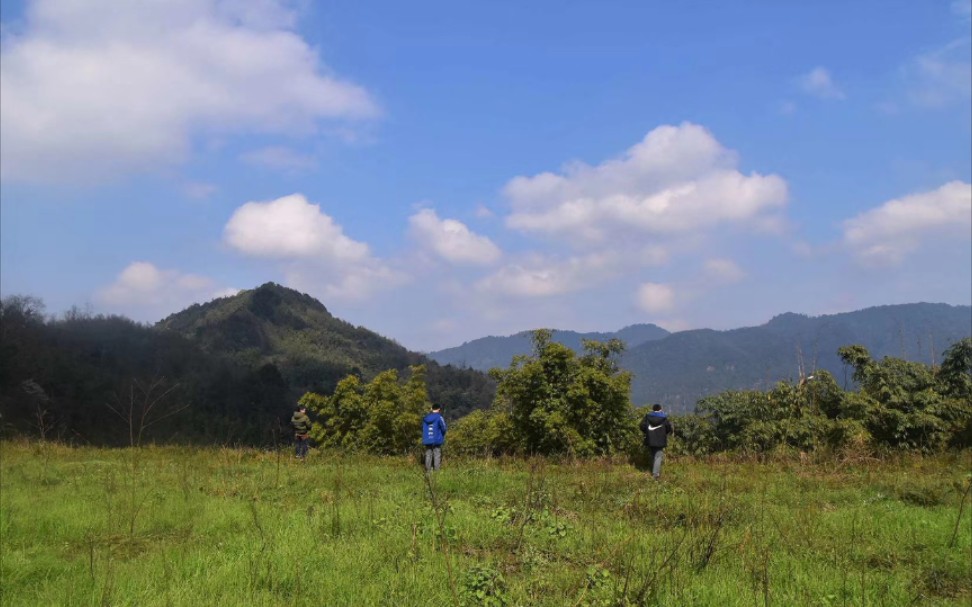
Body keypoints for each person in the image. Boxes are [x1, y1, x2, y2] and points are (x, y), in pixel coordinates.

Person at [640, 403, 673, 479]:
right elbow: (669, 428)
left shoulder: (648, 417)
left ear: (653, 409)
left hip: (650, 439)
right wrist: (664, 433)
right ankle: (655, 475)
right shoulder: (664, 418)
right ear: (660, 409)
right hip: (660, 440)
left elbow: (641, 426)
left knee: (653, 455)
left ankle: (653, 470)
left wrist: (647, 432)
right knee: (658, 457)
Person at [422, 403, 447, 472]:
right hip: (436, 439)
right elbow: (444, 428)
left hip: (427, 439)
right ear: (439, 409)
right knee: (437, 455)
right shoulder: (439, 417)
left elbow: (423, 428)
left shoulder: (426, 418)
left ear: (431, 409)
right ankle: (437, 472)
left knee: (428, 454)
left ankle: (428, 471)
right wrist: (442, 435)